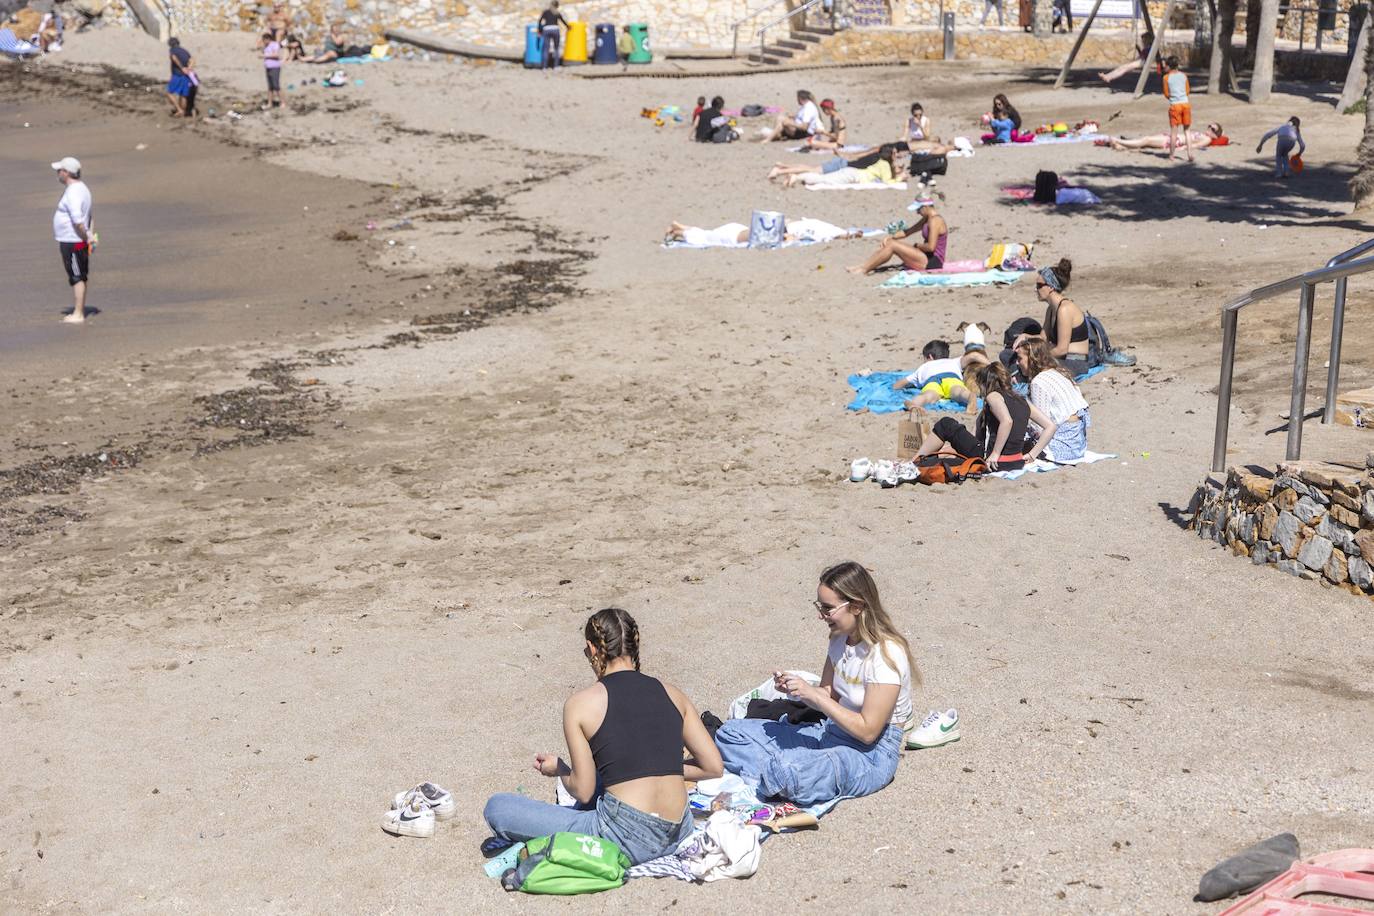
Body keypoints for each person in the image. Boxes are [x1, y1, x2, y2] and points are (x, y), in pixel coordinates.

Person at [481, 608, 723, 866]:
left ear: (592, 648)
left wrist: (561, 769)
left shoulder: (580, 704)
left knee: (498, 808)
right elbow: (713, 766)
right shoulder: (674, 694)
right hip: (679, 831)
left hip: (623, 836)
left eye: (587, 653)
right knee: (602, 775)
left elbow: (582, 791)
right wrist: (661, 769)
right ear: (635, 644)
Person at [713, 562, 916, 806]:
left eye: (828, 609)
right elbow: (828, 694)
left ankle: (782, 772)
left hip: (869, 754)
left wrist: (817, 697)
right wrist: (797, 690)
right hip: (829, 734)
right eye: (820, 606)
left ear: (857, 606)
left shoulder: (885, 654)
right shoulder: (840, 639)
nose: (821, 615)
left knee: (789, 770)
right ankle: (781, 774)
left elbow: (868, 731)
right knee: (730, 733)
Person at [913, 362, 1056, 472]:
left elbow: (1007, 421)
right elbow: (1051, 426)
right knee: (953, 446)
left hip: (993, 461)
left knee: (945, 424)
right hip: (1016, 461)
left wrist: (995, 453)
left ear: (985, 383)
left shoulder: (993, 396)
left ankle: (914, 460)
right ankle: (923, 458)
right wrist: (1032, 455)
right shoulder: (1022, 400)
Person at [1016, 338, 1091, 462]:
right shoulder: (1059, 373)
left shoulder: (1038, 382)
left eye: (1020, 359)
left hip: (1061, 448)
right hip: (1078, 445)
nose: (1017, 363)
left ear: (1032, 359)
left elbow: (1041, 427)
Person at [847, 197, 946, 273]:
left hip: (932, 261)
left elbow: (931, 247)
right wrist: (890, 237)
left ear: (926, 207)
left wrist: (917, 246)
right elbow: (908, 232)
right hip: (925, 256)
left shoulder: (935, 221)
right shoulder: (927, 219)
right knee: (891, 243)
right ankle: (863, 266)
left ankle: (864, 269)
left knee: (892, 245)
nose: (917, 212)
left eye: (918, 209)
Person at [51, 156, 94, 324]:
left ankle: (78, 313)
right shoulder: (82, 188)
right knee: (79, 274)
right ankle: (79, 310)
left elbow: (78, 220)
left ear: (66, 173)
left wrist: (87, 237)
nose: (57, 173)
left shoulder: (74, 192)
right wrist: (89, 236)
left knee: (76, 276)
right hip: (76, 239)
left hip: (73, 240)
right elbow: (90, 215)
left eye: (59, 170)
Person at [1032, 258, 1093, 377]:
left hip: (1075, 362)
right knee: (1010, 356)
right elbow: (1043, 338)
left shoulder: (1064, 309)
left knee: (1031, 368)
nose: (1036, 289)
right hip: (1062, 358)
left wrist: (1037, 357)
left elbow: (1061, 350)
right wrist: (1025, 338)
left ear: (1051, 287)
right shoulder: (1051, 309)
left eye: (1039, 285)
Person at [892, 340, 971, 410]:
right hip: (952, 376)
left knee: (928, 395)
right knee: (958, 390)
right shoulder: (954, 361)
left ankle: (914, 404)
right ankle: (969, 397)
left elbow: (901, 383)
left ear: (930, 357)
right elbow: (972, 356)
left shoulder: (924, 367)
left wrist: (894, 387)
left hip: (932, 379)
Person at [664, 218, 862, 246]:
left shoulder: (763, 230)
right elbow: (786, 238)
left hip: (733, 230)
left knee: (706, 233)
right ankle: (679, 231)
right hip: (730, 235)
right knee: (703, 237)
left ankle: (679, 227)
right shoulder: (765, 234)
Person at [789, 143, 901, 188]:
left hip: (852, 172)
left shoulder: (880, 161)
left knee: (825, 178)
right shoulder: (884, 164)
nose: (897, 155)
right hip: (853, 175)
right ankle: (797, 177)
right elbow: (888, 181)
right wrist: (900, 178)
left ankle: (799, 177)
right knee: (825, 180)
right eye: (894, 153)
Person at [1107, 122, 1225, 152]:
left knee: (1147, 140)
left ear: (1216, 134)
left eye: (1212, 129)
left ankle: (1118, 141)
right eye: (1209, 126)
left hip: (1174, 141)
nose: (1209, 128)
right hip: (1171, 137)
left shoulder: (1207, 139)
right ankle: (1121, 146)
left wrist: (1179, 149)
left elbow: (1195, 145)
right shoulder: (1205, 135)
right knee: (1146, 143)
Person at [758, 90, 822, 143]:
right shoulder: (806, 106)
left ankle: (770, 138)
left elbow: (804, 127)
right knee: (781, 118)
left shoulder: (808, 108)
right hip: (799, 130)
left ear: (800, 99)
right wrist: (793, 117)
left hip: (804, 133)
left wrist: (790, 123)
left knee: (781, 119)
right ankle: (775, 135)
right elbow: (801, 118)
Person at [1162, 56, 1193, 161]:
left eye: (1165, 65)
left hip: (1175, 106)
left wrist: (1173, 96)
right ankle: (1189, 154)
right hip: (1186, 104)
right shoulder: (1184, 76)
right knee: (1187, 130)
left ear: (1169, 66)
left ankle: (1171, 155)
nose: (1164, 67)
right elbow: (1188, 90)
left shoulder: (1166, 78)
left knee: (1174, 131)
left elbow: (1166, 94)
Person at [165, 36, 194, 117]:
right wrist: (189, 68)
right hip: (186, 76)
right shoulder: (184, 51)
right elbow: (192, 60)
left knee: (169, 93)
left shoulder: (172, 50)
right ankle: (183, 111)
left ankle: (179, 109)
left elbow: (174, 58)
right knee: (183, 95)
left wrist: (182, 68)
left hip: (177, 75)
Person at [538, 0, 568, 71]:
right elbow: (563, 21)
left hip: (546, 29)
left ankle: (544, 67)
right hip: (555, 29)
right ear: (557, 6)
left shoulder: (545, 12)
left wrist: (540, 30)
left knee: (546, 49)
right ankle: (556, 66)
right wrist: (568, 27)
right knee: (556, 48)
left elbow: (540, 21)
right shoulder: (557, 13)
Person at [259, 30, 284, 109]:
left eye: (264, 40)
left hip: (275, 67)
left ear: (268, 39)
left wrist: (265, 56)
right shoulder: (265, 46)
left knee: (276, 86)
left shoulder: (275, 45)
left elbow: (276, 55)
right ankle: (270, 103)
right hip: (268, 67)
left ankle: (282, 102)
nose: (263, 42)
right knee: (270, 87)